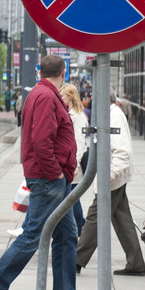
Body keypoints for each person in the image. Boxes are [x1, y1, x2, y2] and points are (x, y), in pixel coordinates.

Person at [0, 54, 78, 290]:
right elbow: (41, 140)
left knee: (66, 235)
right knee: (33, 234)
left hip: (55, 179)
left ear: (39, 72)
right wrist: (55, 172)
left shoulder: (41, 93)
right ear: (63, 72)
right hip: (49, 179)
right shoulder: (45, 96)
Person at [75, 96, 145, 276]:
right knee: (122, 220)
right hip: (114, 176)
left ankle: (75, 260)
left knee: (95, 217)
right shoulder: (110, 114)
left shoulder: (114, 116)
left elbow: (123, 151)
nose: (91, 100)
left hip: (112, 177)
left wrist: (110, 175)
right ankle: (136, 262)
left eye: (94, 97)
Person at [59, 84, 88, 235]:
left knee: (72, 197)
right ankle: (79, 225)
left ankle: (79, 226)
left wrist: (74, 164)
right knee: (72, 197)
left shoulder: (78, 117)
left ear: (70, 97)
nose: (60, 98)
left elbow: (80, 143)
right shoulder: (71, 114)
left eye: (62, 96)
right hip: (72, 163)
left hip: (74, 164)